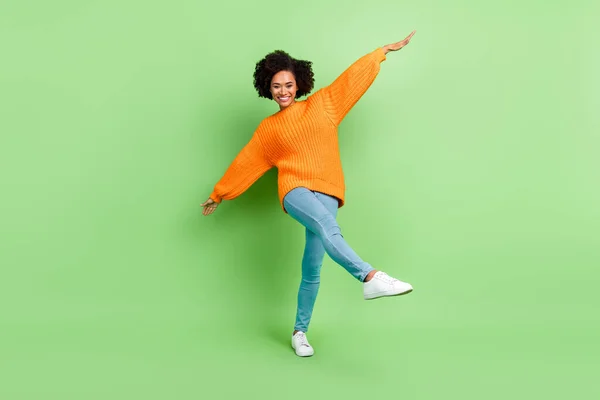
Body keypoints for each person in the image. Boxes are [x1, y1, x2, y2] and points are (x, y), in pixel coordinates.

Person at [201, 31, 416, 357]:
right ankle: (370, 277)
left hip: (328, 188)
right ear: (267, 89)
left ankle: (300, 332)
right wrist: (219, 194)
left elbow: (351, 79)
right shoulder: (268, 129)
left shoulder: (324, 105)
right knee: (330, 230)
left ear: (298, 84)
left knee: (312, 267)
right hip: (294, 189)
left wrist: (381, 52)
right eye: (276, 86)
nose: (283, 91)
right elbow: (245, 162)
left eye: (288, 85)